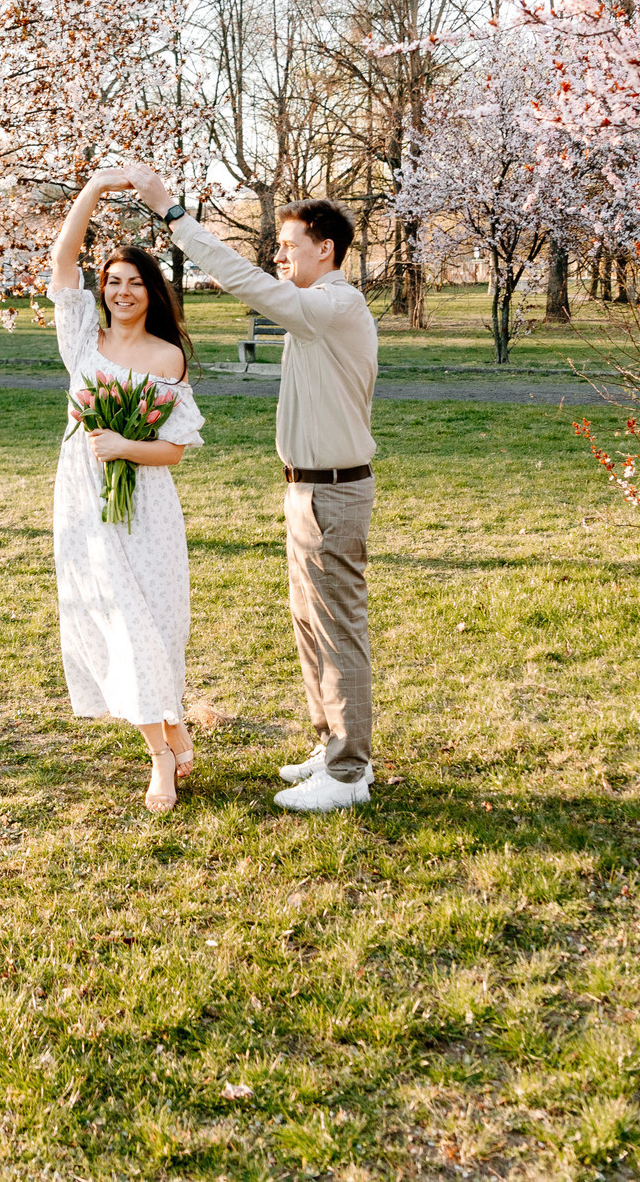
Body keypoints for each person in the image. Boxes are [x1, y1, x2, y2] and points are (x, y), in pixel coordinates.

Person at [118, 161, 377, 813]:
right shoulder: (314, 313)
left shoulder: (332, 304)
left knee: (338, 632)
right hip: (307, 490)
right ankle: (330, 747)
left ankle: (350, 773)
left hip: (333, 492)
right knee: (310, 626)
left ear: (327, 248)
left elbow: (244, 280)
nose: (278, 257)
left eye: (288, 246)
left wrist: (174, 214)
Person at [47, 168, 207, 812]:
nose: (119, 292)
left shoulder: (168, 358)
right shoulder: (85, 337)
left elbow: (173, 450)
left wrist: (123, 447)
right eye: (111, 282)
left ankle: (174, 724)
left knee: (158, 624)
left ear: (153, 291)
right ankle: (161, 756)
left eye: (133, 283)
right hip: (86, 499)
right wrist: (95, 191)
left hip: (146, 502)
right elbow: (63, 262)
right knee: (120, 621)